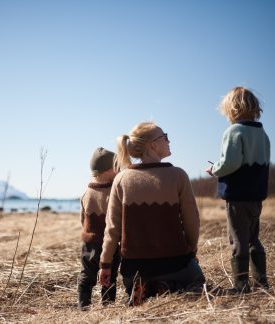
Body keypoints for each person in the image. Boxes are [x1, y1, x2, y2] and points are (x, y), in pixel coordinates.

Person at [98, 122, 205, 306]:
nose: (169, 140)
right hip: (175, 262)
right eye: (165, 136)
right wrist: (191, 249)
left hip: (135, 268)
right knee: (198, 282)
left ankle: (145, 288)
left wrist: (105, 264)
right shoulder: (178, 176)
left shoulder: (121, 179)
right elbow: (192, 221)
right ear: (153, 145)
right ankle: (167, 286)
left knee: (140, 280)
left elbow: (112, 230)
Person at [206, 86, 270, 294]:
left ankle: (241, 285)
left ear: (232, 109)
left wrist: (214, 169)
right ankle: (261, 281)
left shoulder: (234, 131)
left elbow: (230, 163)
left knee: (238, 239)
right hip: (256, 195)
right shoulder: (262, 134)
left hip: (238, 195)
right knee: (253, 238)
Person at [78, 147, 121, 310]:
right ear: (109, 170)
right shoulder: (113, 192)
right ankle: (107, 307)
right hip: (109, 246)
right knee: (109, 277)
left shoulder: (86, 193)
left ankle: (84, 307)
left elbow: (83, 219)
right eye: (118, 167)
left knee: (86, 276)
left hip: (88, 244)